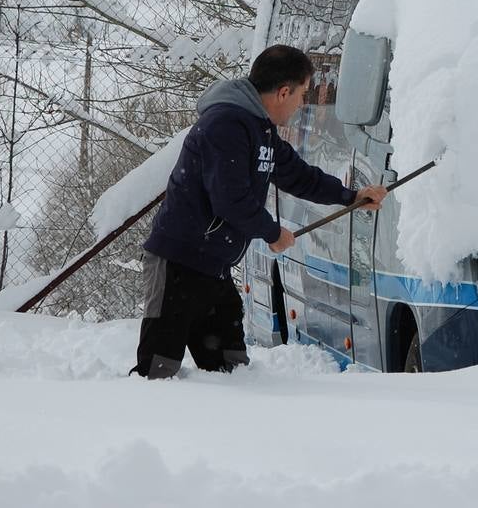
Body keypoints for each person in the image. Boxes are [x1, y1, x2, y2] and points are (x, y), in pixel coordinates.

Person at [133, 45, 387, 379]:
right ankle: (143, 426)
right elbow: (230, 199)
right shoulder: (225, 124)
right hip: (178, 264)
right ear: (284, 92)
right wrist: (272, 233)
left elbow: (297, 175)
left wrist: (351, 196)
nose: (302, 104)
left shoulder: (259, 128)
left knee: (232, 368)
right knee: (158, 369)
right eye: (302, 94)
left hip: (213, 267)